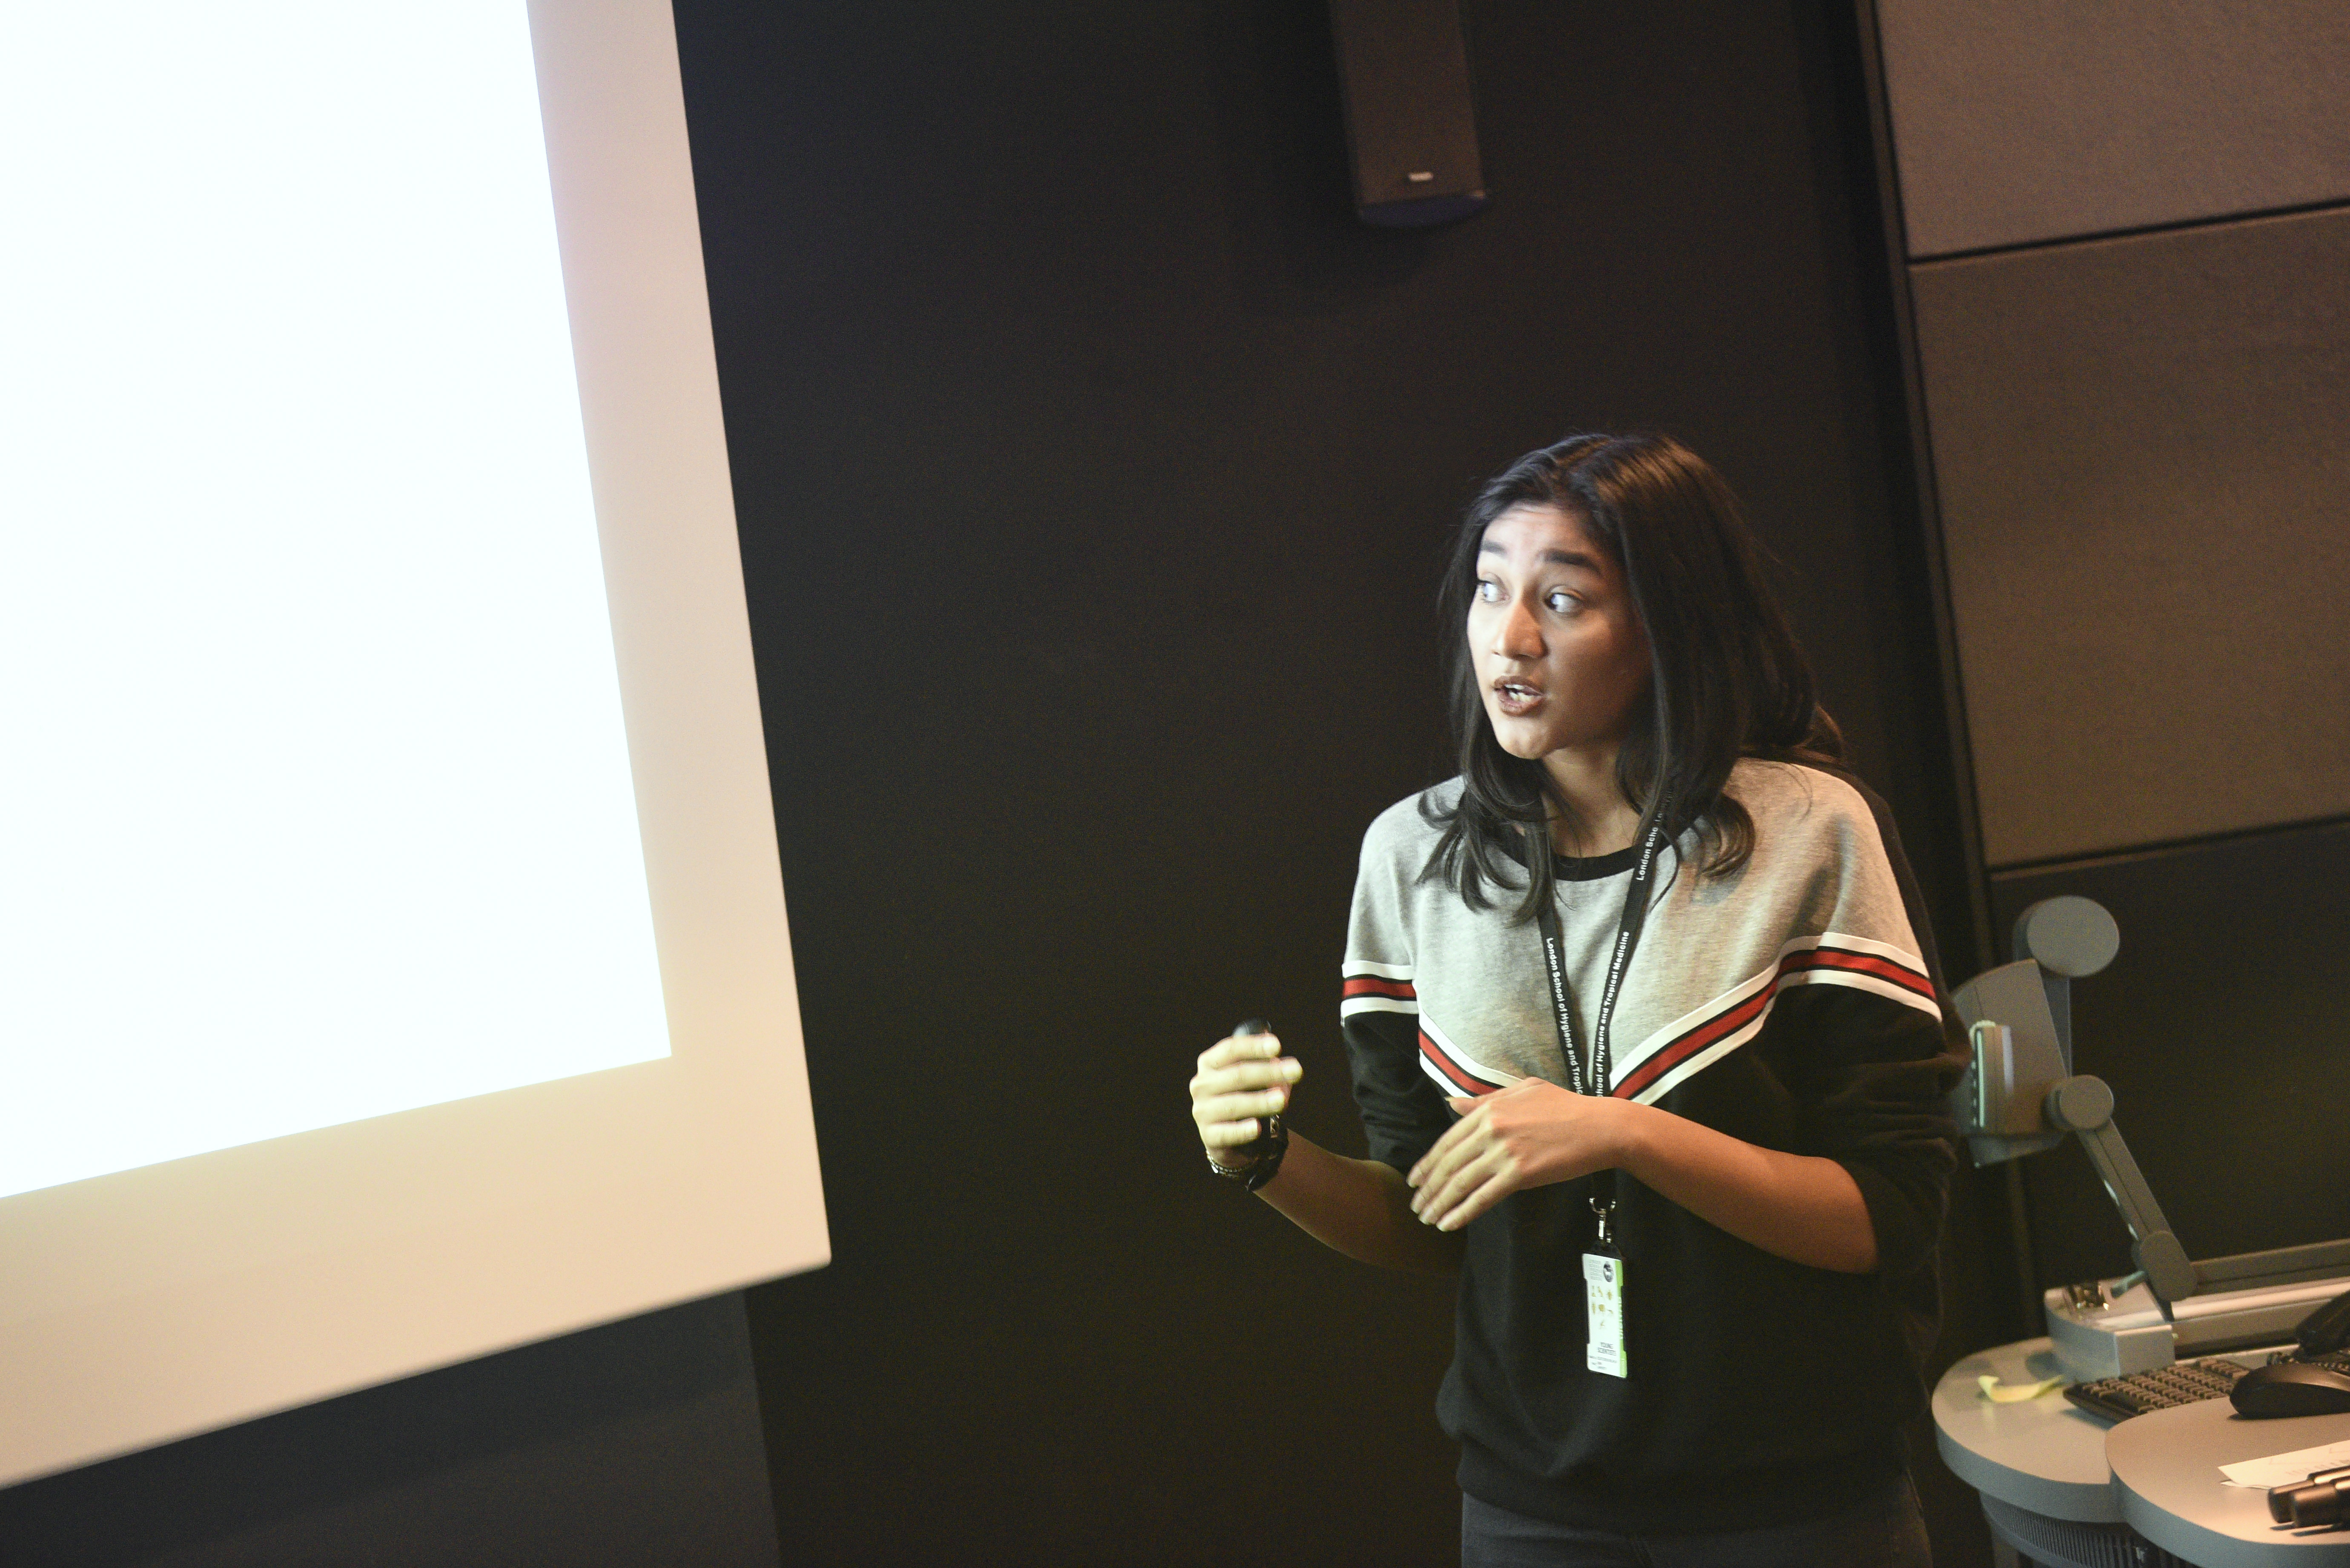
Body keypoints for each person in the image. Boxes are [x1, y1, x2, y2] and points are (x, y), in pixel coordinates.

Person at [1189, 433, 1965, 1567]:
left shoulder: (1813, 832)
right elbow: (1434, 1222)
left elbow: (1887, 1216)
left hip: (1800, 1503)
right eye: (1489, 588)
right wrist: (1267, 1159)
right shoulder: (1411, 859)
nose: (1509, 637)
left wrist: (1624, 1134)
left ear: (1668, 623)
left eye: (1562, 599)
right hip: (1533, 1507)